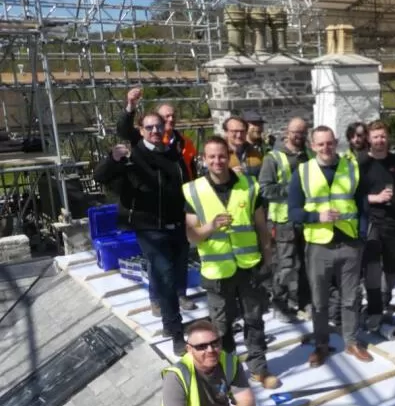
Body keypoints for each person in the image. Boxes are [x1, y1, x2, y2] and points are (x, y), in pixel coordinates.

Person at [182, 136, 280, 388]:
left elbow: (261, 226)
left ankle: (259, 368)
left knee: (254, 319)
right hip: (217, 271)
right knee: (221, 327)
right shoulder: (194, 190)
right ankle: (229, 372)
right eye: (212, 156)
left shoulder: (248, 186)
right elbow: (192, 237)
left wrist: (267, 260)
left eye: (222, 156)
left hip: (249, 266)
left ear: (229, 157)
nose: (217, 161)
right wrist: (211, 226)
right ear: (204, 159)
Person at [95, 111, 191, 354]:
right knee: (166, 277)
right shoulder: (134, 156)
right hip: (149, 228)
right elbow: (101, 177)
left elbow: (187, 186)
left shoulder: (174, 154)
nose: (155, 132)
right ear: (141, 130)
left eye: (158, 127)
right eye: (149, 128)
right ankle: (176, 331)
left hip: (177, 226)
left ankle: (169, 321)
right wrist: (112, 160)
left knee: (178, 276)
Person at [288, 126, 369, 365]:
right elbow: (293, 211)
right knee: (320, 300)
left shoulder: (351, 167)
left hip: (349, 242)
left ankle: (352, 342)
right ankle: (321, 344)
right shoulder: (302, 172)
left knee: (351, 297)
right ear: (312, 146)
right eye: (320, 144)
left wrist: (362, 235)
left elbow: (362, 204)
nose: (326, 148)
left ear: (336, 143)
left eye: (329, 143)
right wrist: (316, 217)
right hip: (318, 245)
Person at [116, 88, 197, 316]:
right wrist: (131, 105)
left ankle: (180, 293)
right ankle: (158, 299)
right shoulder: (145, 141)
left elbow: (191, 173)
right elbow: (123, 130)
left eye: (172, 117)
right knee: (158, 261)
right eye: (165, 117)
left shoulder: (182, 143)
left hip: (178, 209)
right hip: (152, 215)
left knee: (181, 254)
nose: (169, 121)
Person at [361, 121, 395, 332]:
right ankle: (374, 310)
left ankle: (385, 299)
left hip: (393, 221)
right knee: (373, 268)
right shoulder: (362, 163)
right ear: (369, 139)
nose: (380, 141)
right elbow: (353, 195)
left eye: (383, 136)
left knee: (393, 268)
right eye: (375, 137)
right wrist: (375, 198)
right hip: (372, 221)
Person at [258, 117, 311, 323]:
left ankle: (304, 301)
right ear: (287, 132)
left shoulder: (308, 155)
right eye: (296, 132)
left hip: (306, 219)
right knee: (285, 265)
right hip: (283, 221)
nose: (299, 136)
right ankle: (280, 304)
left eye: (303, 133)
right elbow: (265, 189)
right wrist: (292, 190)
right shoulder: (273, 158)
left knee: (306, 263)